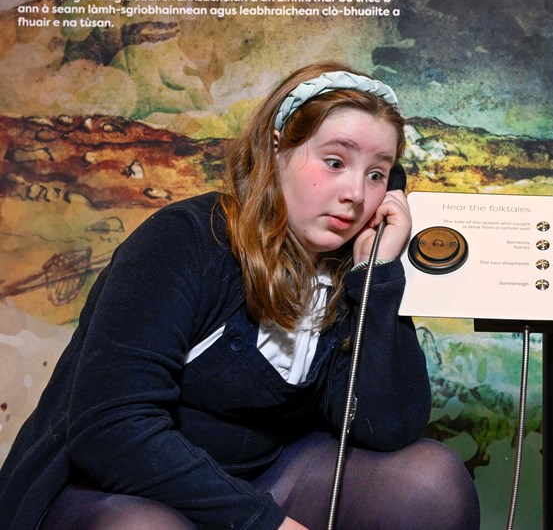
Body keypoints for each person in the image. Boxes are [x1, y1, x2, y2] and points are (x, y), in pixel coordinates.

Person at [0, 62, 480, 530]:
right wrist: (265, 523)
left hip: (263, 478)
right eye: (335, 161)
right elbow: (112, 429)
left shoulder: (346, 269)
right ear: (277, 150)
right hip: (123, 490)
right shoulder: (183, 240)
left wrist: (376, 276)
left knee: (428, 481)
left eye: (377, 174)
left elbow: (386, 428)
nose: (356, 192)